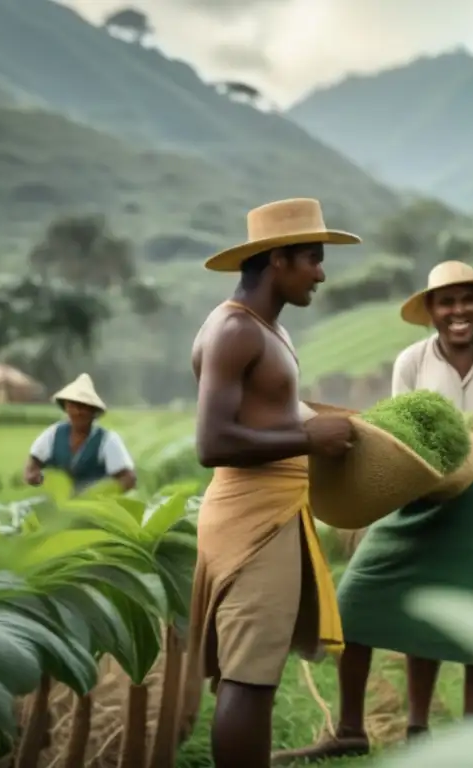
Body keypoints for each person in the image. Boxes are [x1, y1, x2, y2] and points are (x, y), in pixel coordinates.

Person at [285, 260, 473, 762]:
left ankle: (470, 737)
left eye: (467, 300)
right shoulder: (412, 360)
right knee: (357, 599)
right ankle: (350, 728)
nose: (458, 311)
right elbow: (397, 434)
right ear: (430, 310)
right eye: (446, 302)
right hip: (419, 488)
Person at [178, 198, 361, 768]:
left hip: (277, 510)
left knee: (257, 672)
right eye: (312, 258)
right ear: (277, 259)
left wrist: (328, 423)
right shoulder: (235, 330)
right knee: (249, 678)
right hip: (251, 518)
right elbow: (212, 443)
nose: (322, 273)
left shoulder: (266, 327)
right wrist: (310, 440)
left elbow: (267, 412)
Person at [22, 373, 136, 493]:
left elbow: (128, 479)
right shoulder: (53, 434)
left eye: (83, 407)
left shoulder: (107, 439)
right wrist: (35, 477)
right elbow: (32, 465)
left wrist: (102, 493)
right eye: (72, 406)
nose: (77, 412)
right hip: (57, 505)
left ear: (93, 411)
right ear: (66, 407)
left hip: (92, 506)